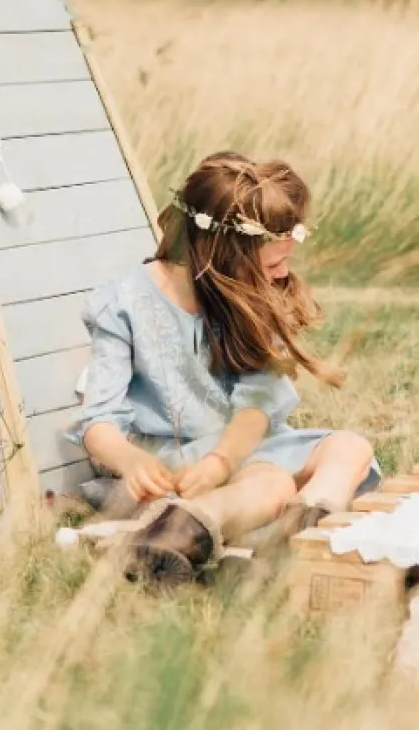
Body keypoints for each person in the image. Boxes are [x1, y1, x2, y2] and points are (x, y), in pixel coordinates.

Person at [69, 151, 378, 585]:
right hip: (178, 464)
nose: (282, 275)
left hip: (240, 447)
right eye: (272, 264)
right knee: (272, 486)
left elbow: (256, 407)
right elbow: (98, 419)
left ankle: (308, 532)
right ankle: (177, 535)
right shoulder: (121, 305)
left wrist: (222, 459)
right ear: (223, 254)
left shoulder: (250, 301)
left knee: (350, 447)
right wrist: (131, 460)